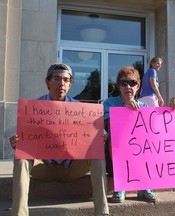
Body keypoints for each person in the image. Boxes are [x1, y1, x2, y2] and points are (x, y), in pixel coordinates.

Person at [9, 63, 109, 216]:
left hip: (73, 167)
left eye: (65, 80)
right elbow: (26, 138)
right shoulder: (33, 108)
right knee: (21, 158)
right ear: (47, 82)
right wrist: (17, 142)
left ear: (70, 84)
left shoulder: (80, 109)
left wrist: (102, 136)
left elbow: (96, 132)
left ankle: (102, 212)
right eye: (56, 79)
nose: (61, 83)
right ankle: (19, 213)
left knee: (97, 156)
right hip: (46, 167)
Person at [103, 66, 175, 204]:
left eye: (132, 83)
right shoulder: (109, 103)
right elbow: (112, 128)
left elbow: (158, 130)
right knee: (115, 139)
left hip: (137, 157)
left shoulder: (145, 107)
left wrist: (172, 109)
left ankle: (145, 184)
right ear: (119, 87)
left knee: (150, 141)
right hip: (113, 159)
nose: (128, 86)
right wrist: (125, 110)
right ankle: (121, 184)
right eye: (123, 83)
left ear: (138, 87)